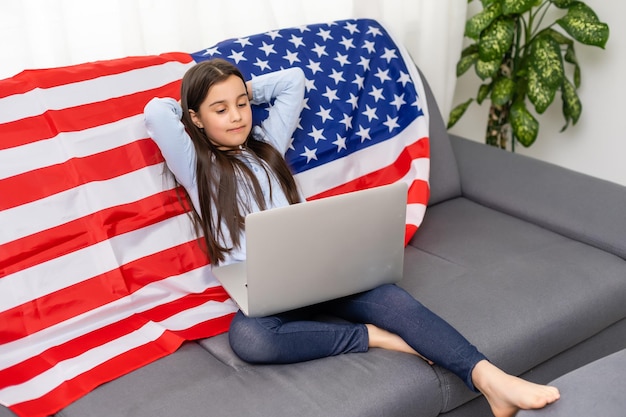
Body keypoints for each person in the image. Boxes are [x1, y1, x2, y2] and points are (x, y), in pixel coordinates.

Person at [144, 58, 560, 417]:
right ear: (196, 119)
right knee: (249, 337)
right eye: (220, 109)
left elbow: (294, 82)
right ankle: (372, 336)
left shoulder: (267, 146)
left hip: (319, 272)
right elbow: (155, 114)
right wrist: (197, 99)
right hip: (266, 290)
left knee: (394, 299)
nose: (237, 116)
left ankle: (491, 379)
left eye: (241, 105)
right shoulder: (199, 167)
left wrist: (242, 86)